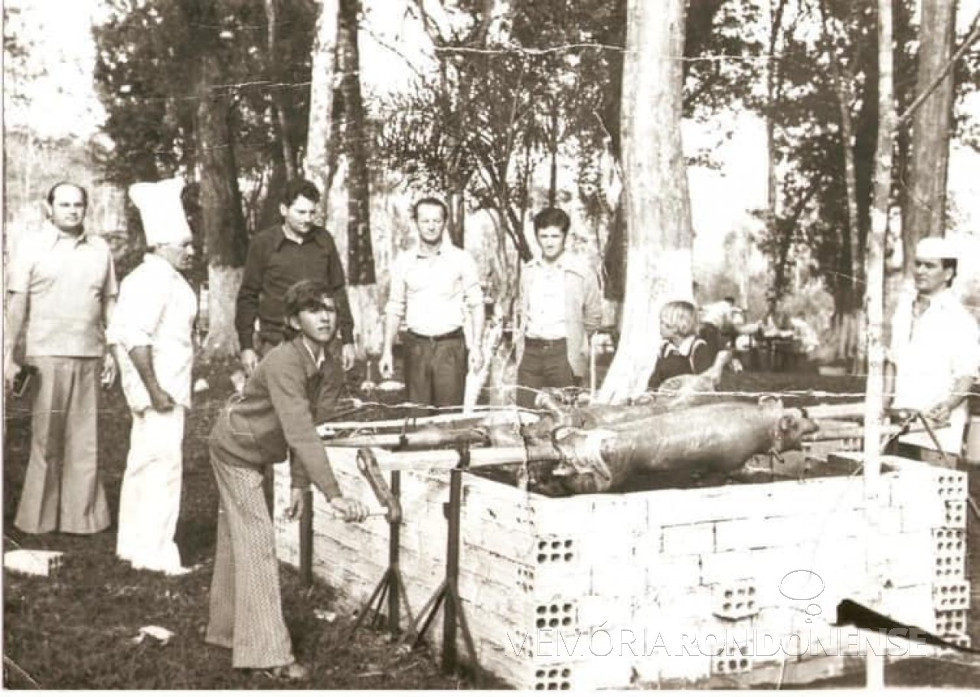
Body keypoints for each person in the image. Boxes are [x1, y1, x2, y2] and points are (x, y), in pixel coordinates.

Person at [206, 280, 369, 680]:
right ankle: (268, 654)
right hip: (235, 449)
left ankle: (226, 631)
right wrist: (333, 495)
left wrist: (299, 484)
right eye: (314, 310)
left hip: (259, 449)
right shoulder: (283, 362)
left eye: (330, 309)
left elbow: (315, 426)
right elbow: (299, 430)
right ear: (295, 321)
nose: (325, 316)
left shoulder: (328, 362)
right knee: (259, 543)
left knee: (236, 540)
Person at [4, 182, 117, 535]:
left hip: (89, 354)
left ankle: (81, 519)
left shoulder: (100, 249)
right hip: (45, 355)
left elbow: (109, 303)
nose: (72, 210)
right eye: (64, 204)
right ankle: (37, 519)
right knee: (46, 440)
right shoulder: (30, 247)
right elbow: (16, 304)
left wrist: (113, 349)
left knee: (85, 440)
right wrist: (7, 353)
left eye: (78, 204)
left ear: (86, 208)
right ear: (47, 207)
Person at [108, 177, 197, 575]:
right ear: (160, 246)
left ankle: (134, 545)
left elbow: (120, 335)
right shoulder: (154, 280)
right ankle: (158, 553)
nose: (191, 251)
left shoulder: (158, 278)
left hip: (160, 385)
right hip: (161, 389)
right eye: (185, 245)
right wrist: (154, 388)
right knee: (162, 467)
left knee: (143, 463)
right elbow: (133, 339)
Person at [235, 179, 356, 384]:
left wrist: (348, 339)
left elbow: (337, 291)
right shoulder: (264, 243)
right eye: (301, 212)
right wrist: (246, 346)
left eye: (312, 212)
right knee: (280, 406)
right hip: (277, 341)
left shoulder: (324, 240)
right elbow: (248, 295)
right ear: (284, 209)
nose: (307, 219)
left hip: (321, 344)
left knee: (321, 407)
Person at [378, 197, 484, 408]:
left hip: (451, 347)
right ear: (416, 222)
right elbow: (395, 307)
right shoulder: (404, 262)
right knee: (416, 416)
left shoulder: (461, 259)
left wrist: (477, 347)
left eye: (436, 220)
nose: (431, 226)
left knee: (450, 417)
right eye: (425, 221)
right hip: (416, 347)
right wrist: (387, 351)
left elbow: (476, 303)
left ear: (444, 222)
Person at [884, 237, 980, 454]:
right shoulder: (903, 311)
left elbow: (966, 375)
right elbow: (893, 361)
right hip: (896, 426)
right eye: (918, 264)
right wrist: (883, 403)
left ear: (948, 273)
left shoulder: (960, 320)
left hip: (935, 434)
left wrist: (948, 405)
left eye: (929, 265)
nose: (920, 271)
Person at [514, 207, 601, 409]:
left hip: (563, 352)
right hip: (530, 350)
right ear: (536, 237)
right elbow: (522, 311)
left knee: (565, 415)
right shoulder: (528, 271)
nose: (549, 242)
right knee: (525, 413)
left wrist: (576, 342)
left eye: (555, 236)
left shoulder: (581, 272)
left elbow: (593, 316)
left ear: (564, 237)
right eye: (544, 236)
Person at [648, 300, 723, 391]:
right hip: (667, 400)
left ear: (675, 327)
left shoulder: (697, 348)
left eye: (662, 323)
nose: (660, 327)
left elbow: (705, 382)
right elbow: (655, 380)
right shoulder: (665, 349)